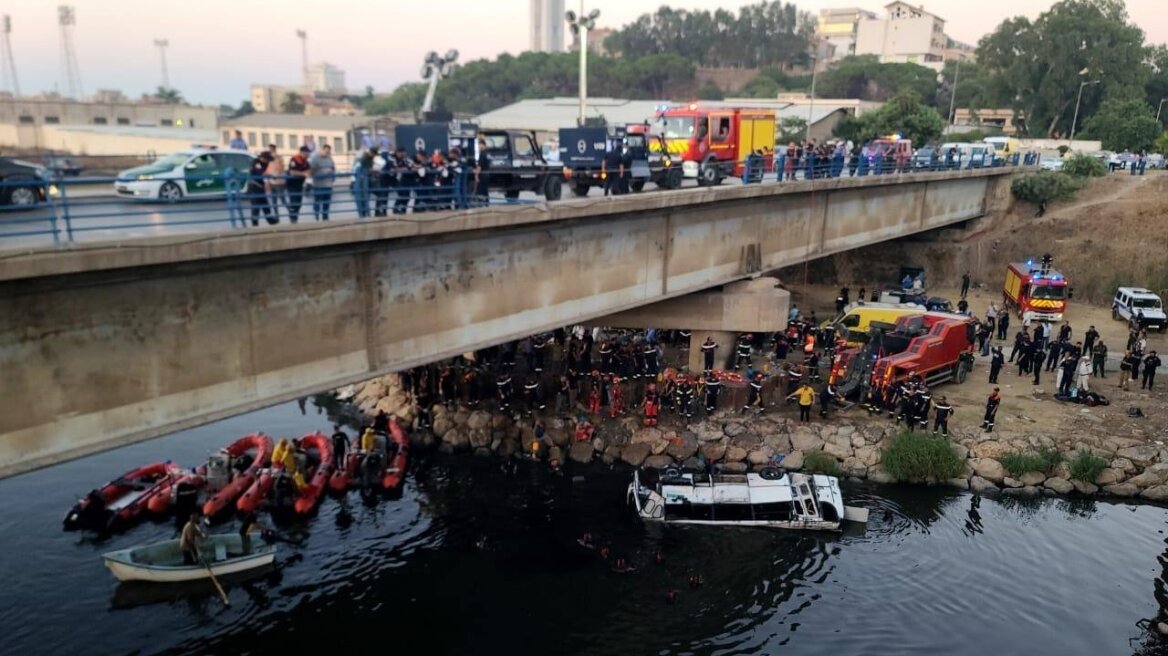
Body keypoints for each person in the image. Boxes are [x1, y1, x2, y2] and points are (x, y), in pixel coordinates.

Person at [309, 143, 336, 220]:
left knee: (327, 202)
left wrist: (333, 176)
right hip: (318, 184)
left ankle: (325, 216)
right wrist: (321, 174)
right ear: (322, 150)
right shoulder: (315, 158)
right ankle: (317, 215)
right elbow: (311, 171)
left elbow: (333, 167)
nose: (327, 153)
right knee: (317, 201)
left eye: (329, 152)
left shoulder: (329, 158)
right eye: (326, 151)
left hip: (328, 184)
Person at [247, 151, 275, 225]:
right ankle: (255, 223)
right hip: (254, 186)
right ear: (263, 158)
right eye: (267, 159)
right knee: (256, 207)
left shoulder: (265, 163)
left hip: (261, 186)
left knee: (265, 204)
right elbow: (260, 173)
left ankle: (271, 221)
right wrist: (268, 176)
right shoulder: (256, 162)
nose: (268, 162)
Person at [285, 145, 310, 223]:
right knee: (294, 202)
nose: (308, 155)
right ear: (302, 152)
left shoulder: (305, 160)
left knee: (299, 203)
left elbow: (309, 170)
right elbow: (292, 172)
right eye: (307, 153)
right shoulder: (294, 159)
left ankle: (295, 217)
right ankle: (293, 218)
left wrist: (308, 173)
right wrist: (303, 173)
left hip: (299, 184)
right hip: (292, 184)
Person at [265, 144, 287, 221]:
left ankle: (291, 213)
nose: (270, 151)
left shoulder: (279, 158)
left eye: (271, 149)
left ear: (274, 149)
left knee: (282, 199)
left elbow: (281, 169)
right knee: (274, 201)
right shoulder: (269, 159)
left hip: (279, 182)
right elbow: (267, 170)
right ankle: (277, 216)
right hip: (272, 182)